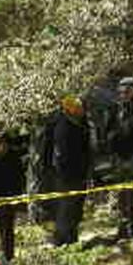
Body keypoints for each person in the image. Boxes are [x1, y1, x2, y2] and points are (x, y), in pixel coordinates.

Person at [109, 77, 133, 241]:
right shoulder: (116, 110)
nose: (123, 95)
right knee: (122, 196)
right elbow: (108, 131)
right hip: (120, 158)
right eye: (121, 92)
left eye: (127, 91)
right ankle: (123, 228)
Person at [51, 94, 91, 245]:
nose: (82, 110)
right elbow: (62, 154)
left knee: (76, 208)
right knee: (66, 209)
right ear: (71, 110)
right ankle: (62, 240)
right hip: (67, 176)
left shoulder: (81, 124)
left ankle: (72, 239)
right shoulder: (63, 127)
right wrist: (66, 173)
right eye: (78, 108)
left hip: (79, 173)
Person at [0, 134, 26, 262]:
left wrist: (19, 194)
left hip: (12, 196)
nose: (2, 146)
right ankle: (5, 254)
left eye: (3, 143)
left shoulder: (14, 158)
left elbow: (20, 176)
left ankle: (10, 255)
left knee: (9, 227)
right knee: (2, 227)